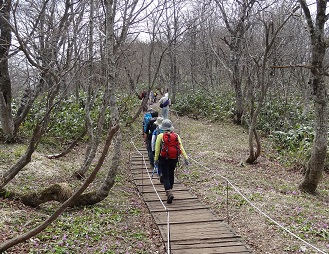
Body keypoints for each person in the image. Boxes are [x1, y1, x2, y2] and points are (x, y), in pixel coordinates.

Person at [154, 119, 189, 204]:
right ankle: (170, 188)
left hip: (164, 158)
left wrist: (155, 159)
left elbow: (157, 149)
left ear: (163, 128)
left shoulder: (161, 136)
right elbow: (181, 147)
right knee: (171, 173)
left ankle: (168, 191)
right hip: (174, 158)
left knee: (165, 175)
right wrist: (186, 157)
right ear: (171, 128)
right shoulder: (176, 136)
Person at [151, 117, 164, 181]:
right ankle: (165, 175)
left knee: (159, 162)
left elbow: (153, 141)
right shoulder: (168, 130)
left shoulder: (156, 130)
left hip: (158, 149)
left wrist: (153, 150)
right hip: (167, 150)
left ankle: (160, 173)